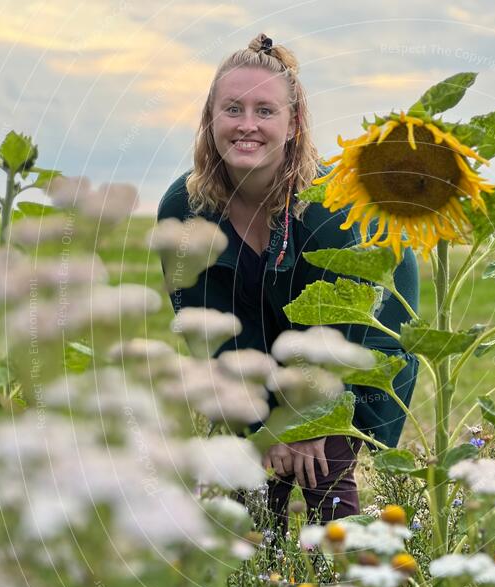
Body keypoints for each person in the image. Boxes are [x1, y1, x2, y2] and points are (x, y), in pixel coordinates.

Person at [156, 34, 419, 533]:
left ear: (294, 123)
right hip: (254, 360)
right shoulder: (184, 209)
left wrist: (307, 423)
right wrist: (262, 425)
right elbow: (208, 329)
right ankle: (254, 575)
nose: (247, 125)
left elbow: (351, 327)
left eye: (265, 110)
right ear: (210, 119)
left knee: (325, 471)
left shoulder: (332, 204)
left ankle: (350, 579)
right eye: (232, 109)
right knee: (245, 494)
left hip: (357, 348)